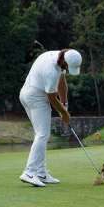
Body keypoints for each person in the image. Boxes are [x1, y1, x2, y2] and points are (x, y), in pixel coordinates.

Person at [19, 48, 82, 188]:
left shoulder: (58, 57)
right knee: (43, 134)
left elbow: (62, 83)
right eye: (67, 66)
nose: (67, 69)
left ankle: (41, 173)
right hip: (35, 98)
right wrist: (64, 114)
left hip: (28, 94)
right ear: (64, 61)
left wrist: (65, 104)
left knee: (41, 135)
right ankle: (29, 172)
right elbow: (52, 98)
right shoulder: (52, 70)